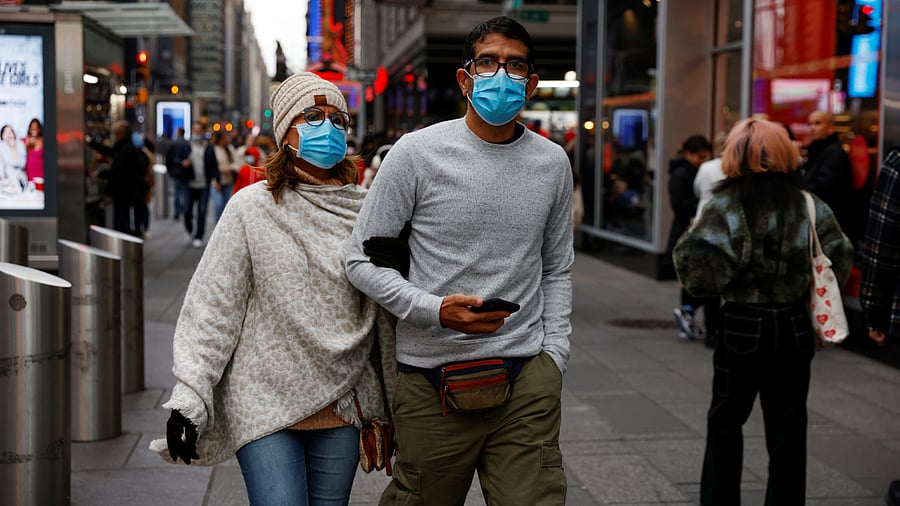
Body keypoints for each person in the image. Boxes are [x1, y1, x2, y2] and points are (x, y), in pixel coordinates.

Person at [345, 16, 572, 505]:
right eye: (487, 62)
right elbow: (359, 262)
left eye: (515, 66)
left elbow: (557, 267)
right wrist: (434, 309)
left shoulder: (553, 162)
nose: (501, 75)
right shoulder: (415, 154)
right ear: (465, 78)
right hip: (432, 381)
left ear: (531, 84)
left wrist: (554, 355)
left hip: (527, 376)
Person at [149, 72, 396, 505]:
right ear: (286, 131)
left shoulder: (367, 210)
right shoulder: (251, 207)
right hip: (263, 400)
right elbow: (213, 307)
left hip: (343, 400)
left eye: (339, 120)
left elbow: (384, 316)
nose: (330, 128)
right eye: (314, 116)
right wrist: (191, 396)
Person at [673, 118, 853, 505]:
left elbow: (697, 274)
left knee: (725, 420)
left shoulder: (725, 205)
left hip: (741, 322)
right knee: (788, 426)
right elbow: (840, 256)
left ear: (735, 155)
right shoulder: (808, 204)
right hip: (793, 323)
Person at [666, 134, 713, 340]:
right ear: (688, 154)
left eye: (706, 157)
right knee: (693, 277)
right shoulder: (681, 173)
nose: (703, 161)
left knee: (694, 277)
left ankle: (687, 312)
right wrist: (703, 199)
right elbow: (678, 204)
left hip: (690, 229)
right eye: (699, 157)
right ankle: (687, 311)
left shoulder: (691, 171)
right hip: (686, 229)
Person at [87, 121, 147, 237]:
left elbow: (119, 170)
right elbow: (111, 152)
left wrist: (100, 173)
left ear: (122, 134)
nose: (114, 136)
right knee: (121, 218)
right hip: (125, 189)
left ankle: (124, 243)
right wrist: (92, 143)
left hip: (124, 190)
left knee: (121, 220)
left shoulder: (126, 149)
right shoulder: (124, 147)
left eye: (116, 134)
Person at [804, 110, 854, 244]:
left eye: (817, 123)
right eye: (809, 124)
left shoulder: (833, 153)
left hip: (832, 221)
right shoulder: (819, 151)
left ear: (831, 128)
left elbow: (825, 187)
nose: (812, 128)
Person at [177, 122, 218, 248]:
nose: (197, 132)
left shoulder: (208, 147)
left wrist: (217, 180)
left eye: (199, 130)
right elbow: (176, 159)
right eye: (195, 130)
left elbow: (213, 165)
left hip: (204, 185)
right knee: (187, 210)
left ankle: (199, 236)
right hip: (189, 184)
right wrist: (183, 163)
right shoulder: (185, 146)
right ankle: (189, 229)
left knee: (202, 211)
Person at [210, 131, 237, 223]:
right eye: (224, 138)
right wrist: (222, 169)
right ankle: (217, 225)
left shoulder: (230, 149)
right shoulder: (213, 149)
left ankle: (225, 225)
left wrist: (231, 168)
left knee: (226, 206)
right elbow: (212, 166)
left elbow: (236, 162)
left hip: (228, 181)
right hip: (216, 182)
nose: (227, 140)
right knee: (218, 204)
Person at [166, 127, 190, 220]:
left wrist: (170, 170)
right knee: (185, 193)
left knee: (177, 192)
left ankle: (177, 211)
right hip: (185, 173)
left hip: (176, 172)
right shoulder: (187, 143)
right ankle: (185, 211)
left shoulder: (174, 143)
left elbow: (169, 158)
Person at [0, 125, 26, 192]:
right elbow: (1, 164)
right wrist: (1, 177)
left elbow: (22, 163)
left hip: (20, 179)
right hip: (6, 180)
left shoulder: (20, 144)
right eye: (5, 132)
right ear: (2, 136)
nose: (8, 134)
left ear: (14, 134)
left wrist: (13, 148)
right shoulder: (1, 146)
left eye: (10, 132)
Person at [23, 118, 44, 182]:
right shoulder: (24, 140)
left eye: (36, 127)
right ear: (29, 129)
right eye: (32, 127)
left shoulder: (43, 141)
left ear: (39, 129)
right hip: (28, 173)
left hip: (41, 172)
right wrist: (28, 146)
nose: (34, 129)